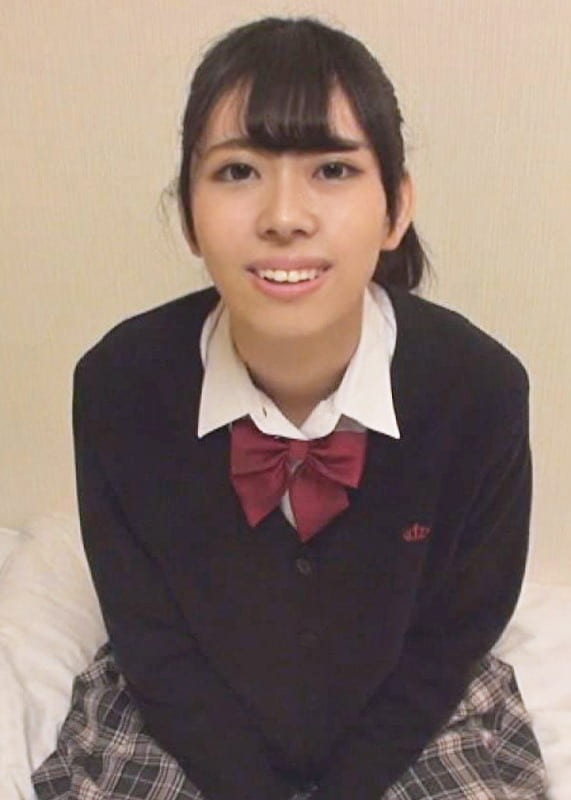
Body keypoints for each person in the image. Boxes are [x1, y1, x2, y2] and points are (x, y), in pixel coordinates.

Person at [32, 16, 547, 800]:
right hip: (180, 717)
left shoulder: (479, 392)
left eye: (332, 170)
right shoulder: (117, 386)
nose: (283, 215)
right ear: (187, 215)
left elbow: (452, 635)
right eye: (237, 171)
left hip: (413, 717)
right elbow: (150, 639)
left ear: (395, 208)